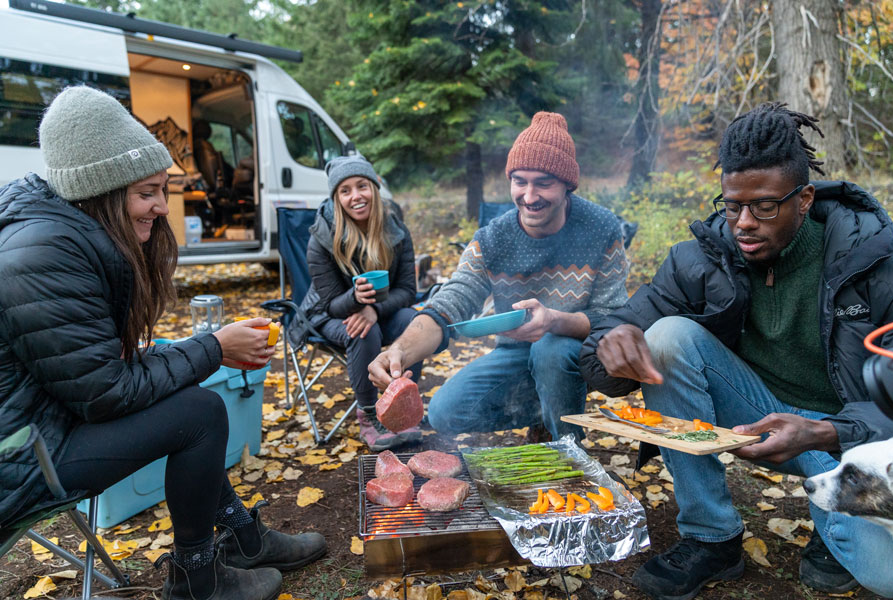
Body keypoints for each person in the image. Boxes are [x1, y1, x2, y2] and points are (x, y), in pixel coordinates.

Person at [0, 86, 326, 600]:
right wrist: (214, 348)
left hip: (45, 424)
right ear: (102, 189)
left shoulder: (62, 232)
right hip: (19, 457)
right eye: (146, 192)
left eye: (162, 191)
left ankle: (243, 538)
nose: (159, 207)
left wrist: (201, 346)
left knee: (186, 400)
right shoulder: (41, 253)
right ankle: (198, 579)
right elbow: (107, 391)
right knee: (198, 413)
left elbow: (100, 368)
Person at [580, 102, 893, 600]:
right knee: (665, 335)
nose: (744, 223)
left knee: (890, 577)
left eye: (764, 206)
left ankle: (829, 524)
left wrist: (826, 431)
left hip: (842, 441)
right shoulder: (702, 257)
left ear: (805, 198)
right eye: (733, 206)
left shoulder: (874, 263)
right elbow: (623, 324)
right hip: (754, 416)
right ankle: (712, 539)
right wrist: (609, 341)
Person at [369, 112, 629, 441]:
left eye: (544, 183)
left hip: (579, 351)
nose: (530, 196)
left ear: (567, 185)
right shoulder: (494, 238)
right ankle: (547, 411)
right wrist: (399, 352)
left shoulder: (601, 228)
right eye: (520, 181)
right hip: (514, 352)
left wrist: (553, 320)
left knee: (550, 351)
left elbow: (613, 316)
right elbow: (452, 300)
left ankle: (567, 447)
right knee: (443, 412)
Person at [299, 155, 423, 451]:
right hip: (329, 313)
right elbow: (330, 304)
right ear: (337, 197)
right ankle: (369, 413)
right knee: (364, 329)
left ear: (375, 187)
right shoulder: (322, 238)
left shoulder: (396, 230)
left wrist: (374, 309)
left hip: (380, 309)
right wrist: (356, 300)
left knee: (414, 321)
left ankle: (404, 402)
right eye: (345, 190)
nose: (356, 196)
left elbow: (407, 290)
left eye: (362, 186)